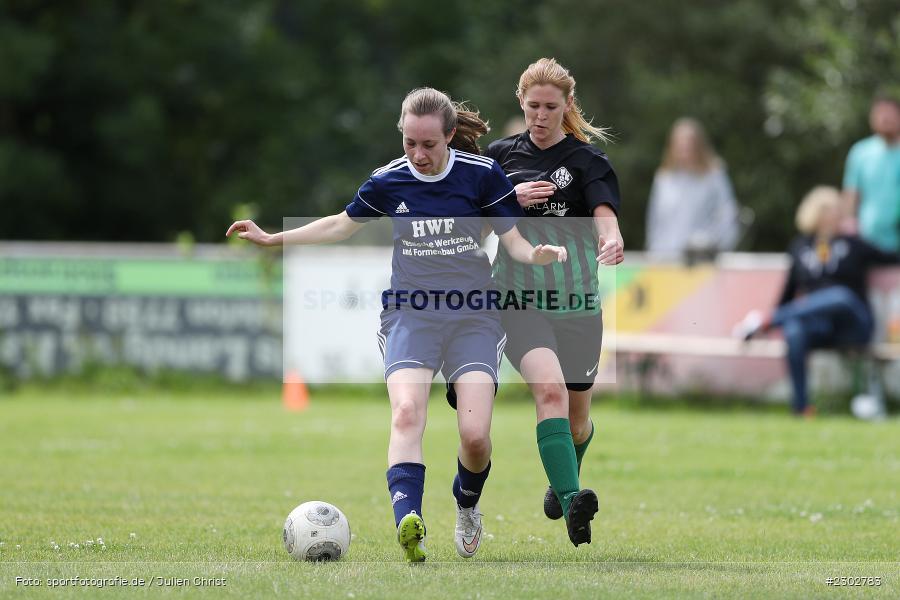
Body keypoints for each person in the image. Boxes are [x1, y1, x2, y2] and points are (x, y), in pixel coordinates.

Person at [226, 87, 567, 562]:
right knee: (407, 412)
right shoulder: (389, 180)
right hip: (411, 313)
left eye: (428, 144)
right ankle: (410, 523)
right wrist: (273, 238)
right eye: (409, 143)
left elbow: (513, 243)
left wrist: (539, 255)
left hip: (473, 317)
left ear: (450, 136)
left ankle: (467, 504)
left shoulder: (482, 175)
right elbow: (339, 225)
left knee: (474, 437)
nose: (418, 154)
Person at [481, 57, 624, 546]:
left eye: (551, 106)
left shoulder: (588, 161)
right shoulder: (498, 159)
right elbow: (476, 223)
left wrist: (612, 239)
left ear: (567, 107)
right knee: (550, 394)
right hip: (520, 300)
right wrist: (508, 199)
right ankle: (572, 501)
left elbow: (604, 214)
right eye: (533, 106)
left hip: (580, 304)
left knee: (578, 420)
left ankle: (562, 485)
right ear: (520, 103)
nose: (540, 115)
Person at [734, 186, 898, 416]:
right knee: (794, 331)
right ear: (815, 214)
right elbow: (788, 294)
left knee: (840, 295)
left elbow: (891, 256)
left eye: (837, 210)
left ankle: (765, 321)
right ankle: (802, 408)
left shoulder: (854, 245)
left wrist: (774, 316)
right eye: (828, 210)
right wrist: (782, 312)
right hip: (819, 325)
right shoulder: (800, 248)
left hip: (853, 324)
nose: (835, 215)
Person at [646, 118, 739, 256]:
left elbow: (728, 216)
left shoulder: (714, 176)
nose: (684, 151)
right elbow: (654, 222)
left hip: (702, 261)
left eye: (688, 146)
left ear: (699, 147)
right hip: (665, 261)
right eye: (679, 146)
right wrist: (652, 253)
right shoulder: (663, 178)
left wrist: (713, 244)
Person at [842, 95, 900, 252]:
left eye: (890, 114)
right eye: (880, 114)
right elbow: (851, 193)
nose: (885, 118)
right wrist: (848, 222)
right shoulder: (860, 152)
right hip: (867, 237)